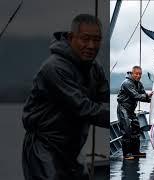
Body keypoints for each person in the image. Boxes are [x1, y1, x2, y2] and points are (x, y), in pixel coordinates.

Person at [22, 14, 109, 180]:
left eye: (97, 40)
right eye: (85, 39)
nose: (91, 46)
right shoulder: (53, 68)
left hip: (72, 149)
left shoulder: (94, 68)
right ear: (71, 38)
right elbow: (84, 108)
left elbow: (104, 99)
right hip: (44, 149)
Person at [117, 66, 153, 160]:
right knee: (127, 131)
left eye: (140, 74)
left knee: (136, 129)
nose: (138, 76)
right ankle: (126, 154)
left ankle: (135, 152)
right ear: (132, 74)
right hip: (123, 109)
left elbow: (143, 96)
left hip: (131, 110)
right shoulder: (127, 83)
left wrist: (152, 99)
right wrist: (146, 96)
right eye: (136, 74)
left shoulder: (139, 84)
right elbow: (136, 95)